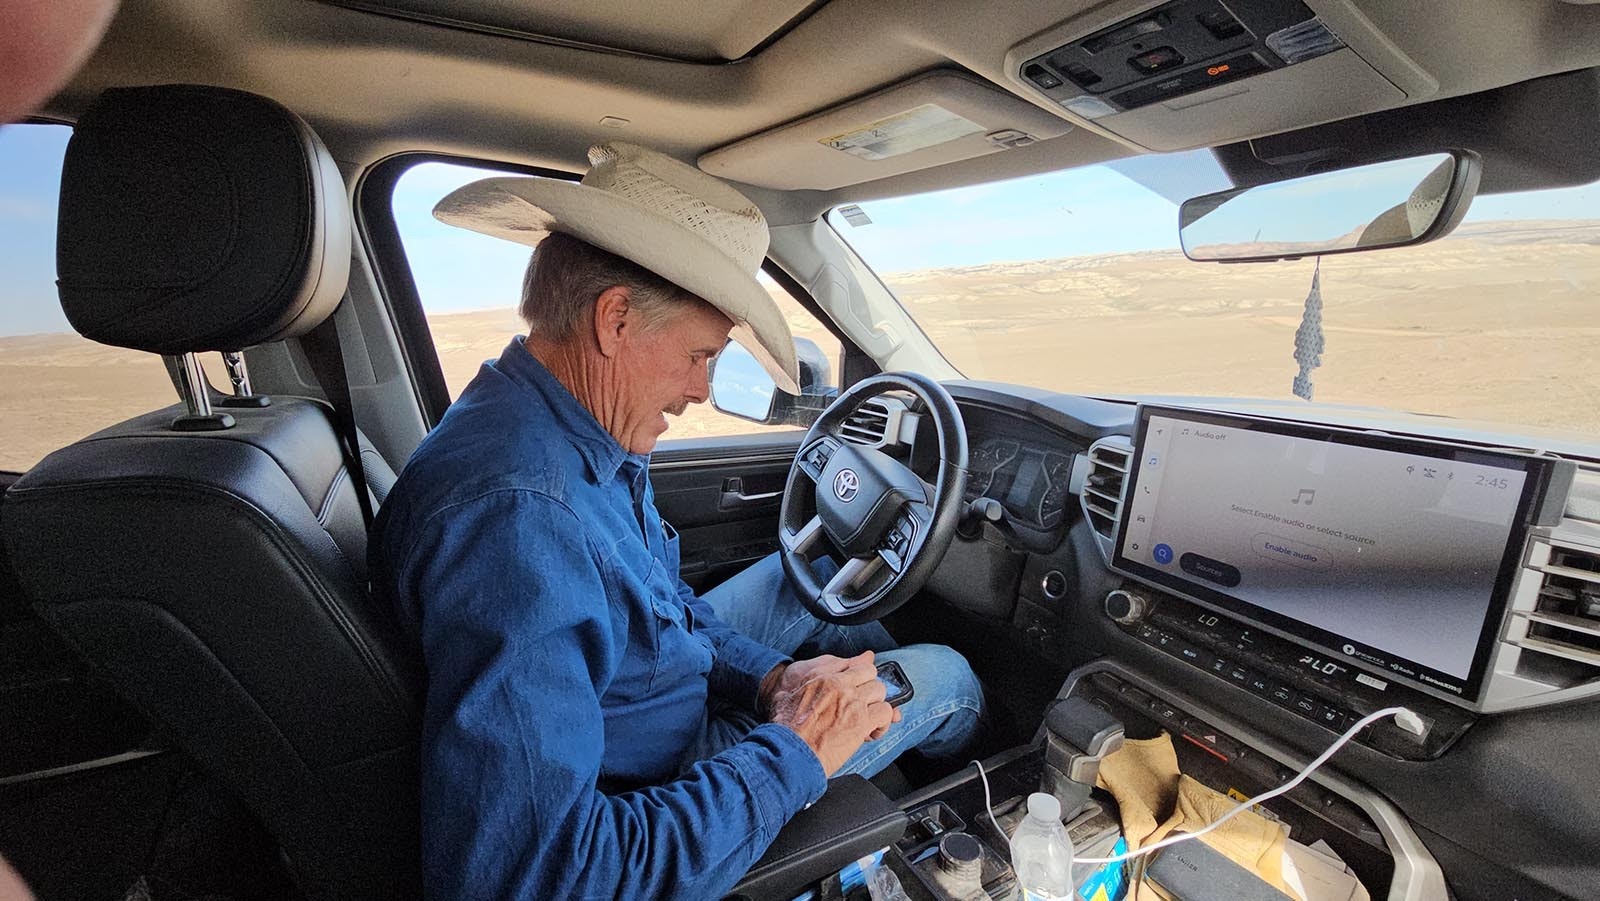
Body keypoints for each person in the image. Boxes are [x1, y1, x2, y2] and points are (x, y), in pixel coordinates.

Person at [370, 142, 985, 899]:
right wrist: (798, 748)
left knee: (819, 577)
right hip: (660, 777)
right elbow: (539, 877)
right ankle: (957, 799)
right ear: (616, 318)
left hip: (649, 692)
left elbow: (665, 608)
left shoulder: (556, 426)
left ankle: (865, 736)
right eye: (699, 354)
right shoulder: (519, 524)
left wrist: (774, 678)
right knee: (949, 677)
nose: (701, 387)